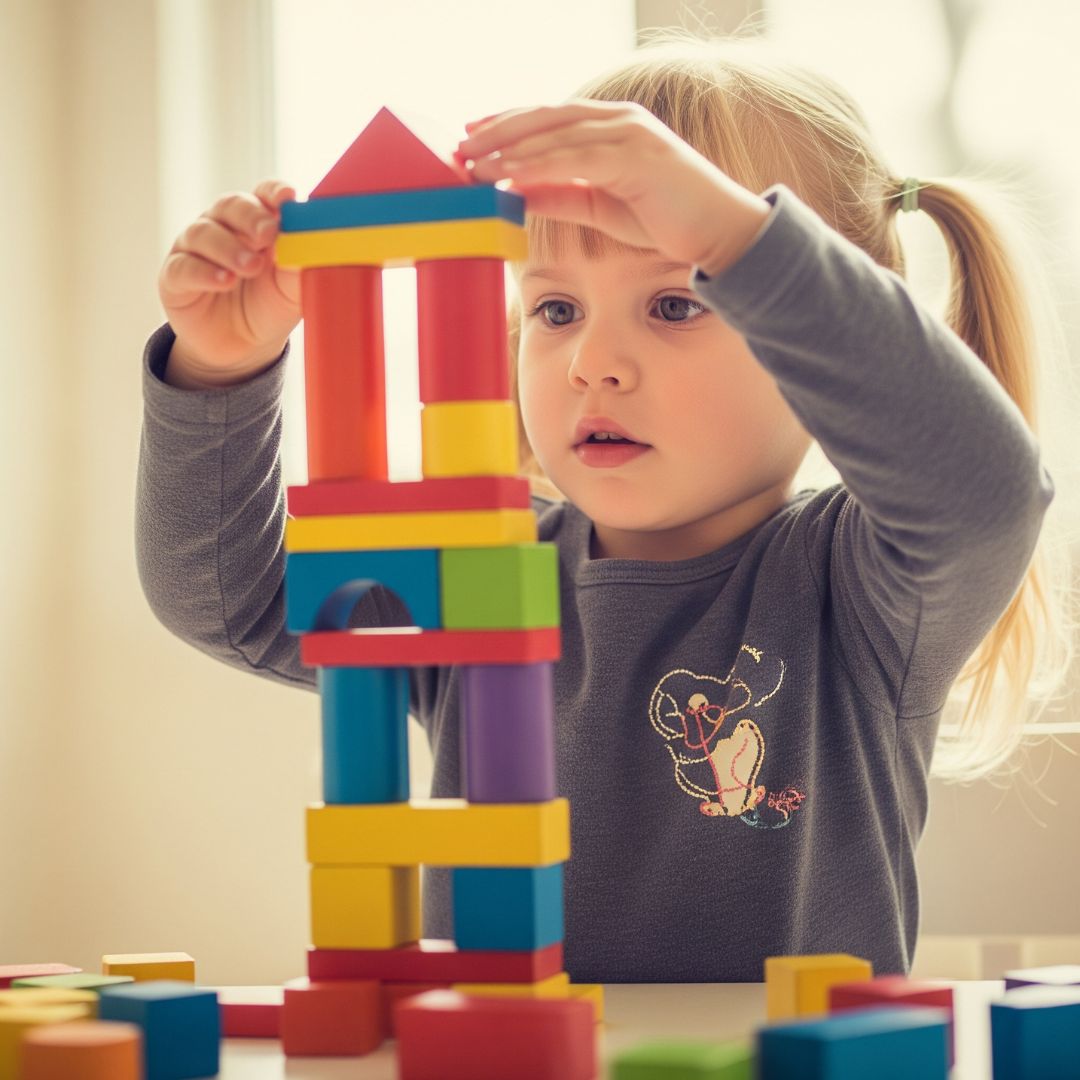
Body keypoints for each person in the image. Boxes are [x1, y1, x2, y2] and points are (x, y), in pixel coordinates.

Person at [136, 32, 1072, 982]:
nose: (592, 362)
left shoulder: (858, 588)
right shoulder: (474, 578)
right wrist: (219, 368)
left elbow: (987, 494)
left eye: (676, 303)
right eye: (555, 310)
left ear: (821, 348)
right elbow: (224, 598)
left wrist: (736, 237)